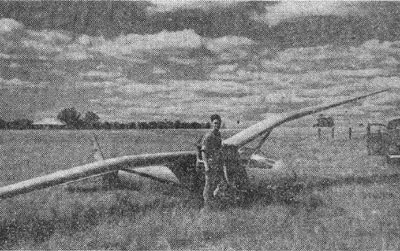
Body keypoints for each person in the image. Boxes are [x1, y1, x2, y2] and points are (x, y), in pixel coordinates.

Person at [200, 114, 226, 210]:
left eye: (218, 123)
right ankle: (206, 207)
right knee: (209, 186)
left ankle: (214, 202)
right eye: (215, 123)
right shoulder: (208, 136)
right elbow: (203, 152)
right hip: (211, 164)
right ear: (211, 124)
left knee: (222, 183)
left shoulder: (218, 134)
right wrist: (206, 166)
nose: (217, 125)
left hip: (218, 164)